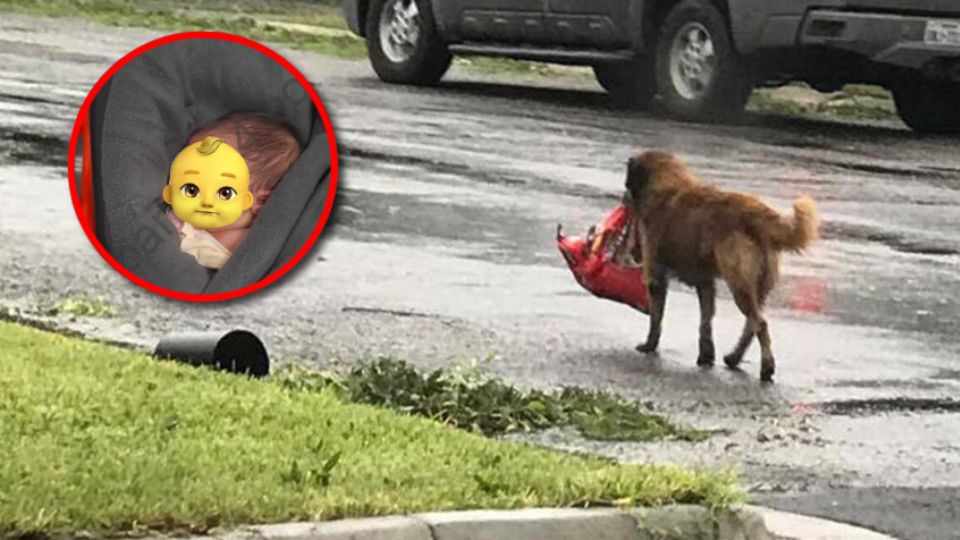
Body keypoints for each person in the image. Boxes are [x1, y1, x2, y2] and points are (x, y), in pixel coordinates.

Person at [165, 112, 302, 269]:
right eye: (191, 187)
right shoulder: (178, 218)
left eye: (224, 192)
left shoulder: (246, 245)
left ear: (260, 201)